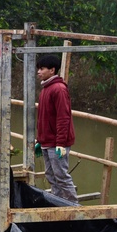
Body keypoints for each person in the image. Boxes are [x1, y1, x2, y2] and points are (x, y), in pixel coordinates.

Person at [36, 53, 78, 203]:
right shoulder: (45, 89)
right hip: (48, 141)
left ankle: (73, 206)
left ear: (52, 70)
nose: (39, 72)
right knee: (51, 175)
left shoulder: (58, 89)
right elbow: (43, 118)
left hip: (57, 142)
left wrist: (60, 143)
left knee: (61, 176)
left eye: (42, 69)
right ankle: (59, 202)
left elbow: (63, 118)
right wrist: (40, 140)